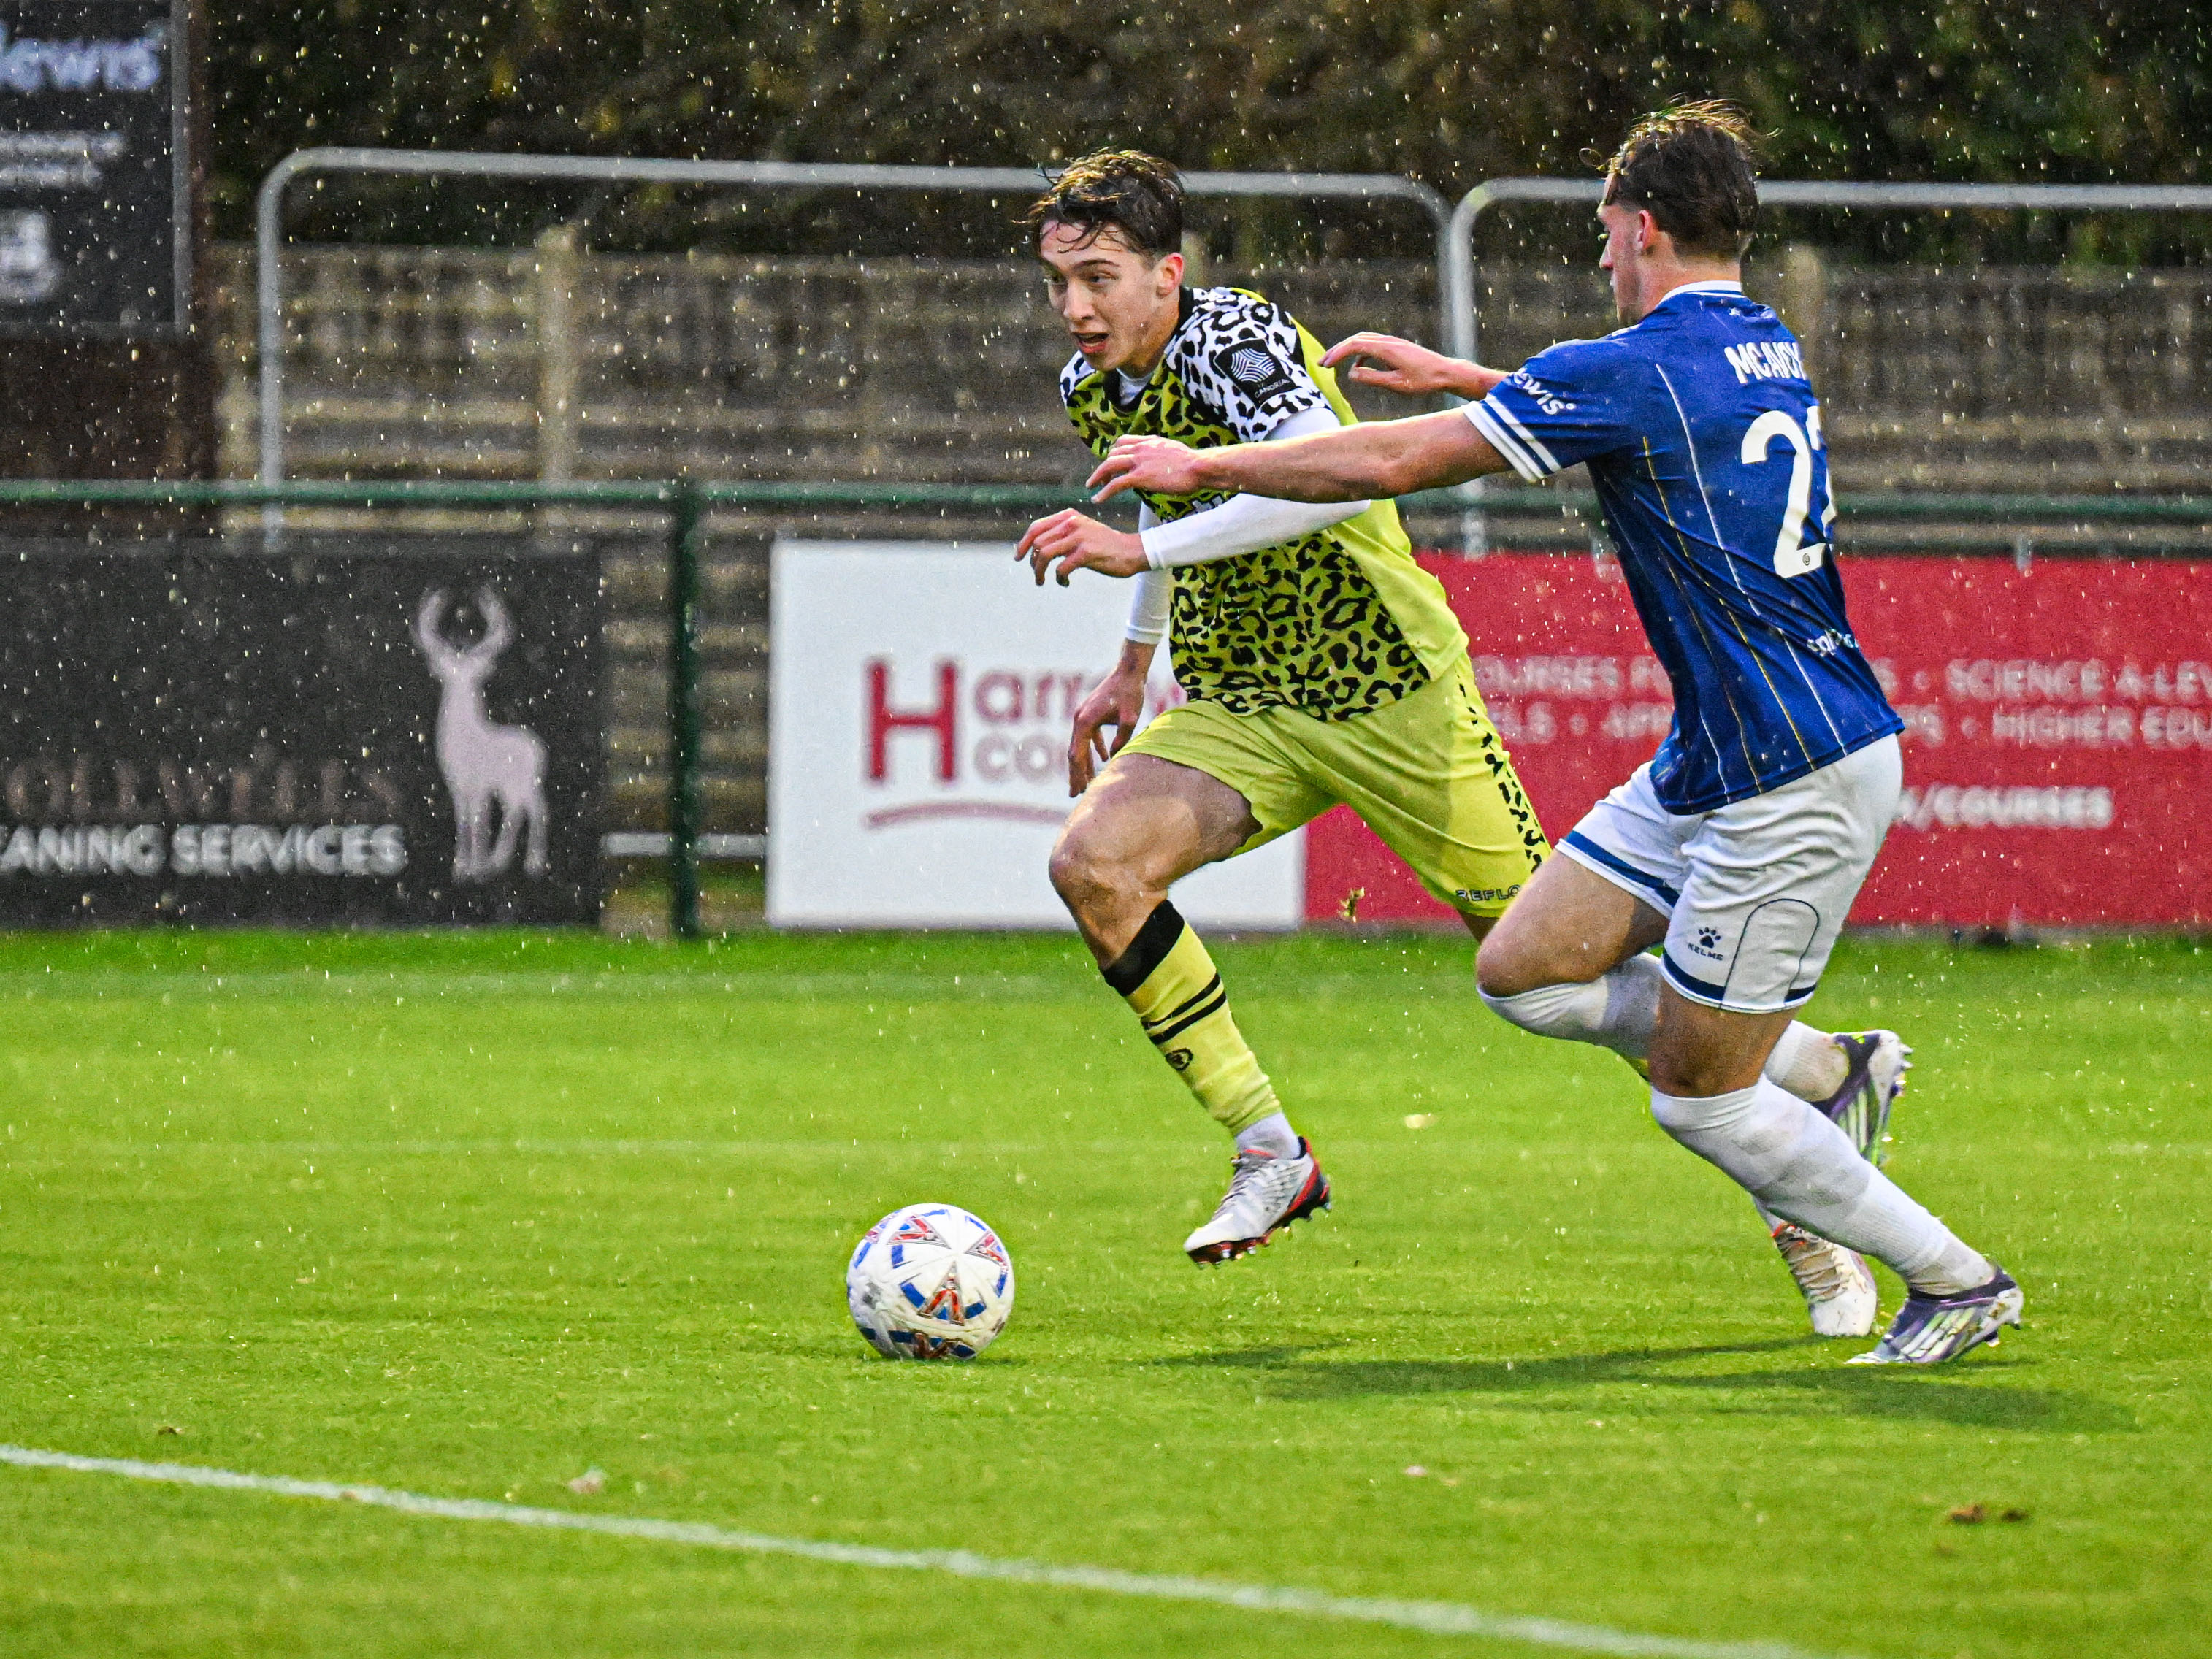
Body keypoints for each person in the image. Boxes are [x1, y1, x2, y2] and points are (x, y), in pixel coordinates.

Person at [1084, 106, 2019, 1365]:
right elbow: (1641, 423)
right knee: (1522, 968)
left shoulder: (1628, 365)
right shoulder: (1759, 341)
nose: (1597, 261)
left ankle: (1955, 1281)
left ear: (1639, 227)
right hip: (1718, 755)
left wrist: (1210, 473)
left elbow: (1399, 464)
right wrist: (1487, 387)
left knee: (1700, 1095)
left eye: (1601, 236)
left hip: (1793, 770)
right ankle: (1828, 1076)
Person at [1011, 149, 1548, 1264]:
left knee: (1555, 973)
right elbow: (1164, 497)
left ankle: (1794, 1099)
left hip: (1383, 687)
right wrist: (1132, 659)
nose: (1074, 307)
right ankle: (1269, 1153)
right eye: (1059, 280)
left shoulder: (1232, 337)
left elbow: (1319, 478)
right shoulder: (1091, 387)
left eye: (1098, 277)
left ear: (1167, 274)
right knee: (1094, 865)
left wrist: (1140, 543)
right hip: (1245, 698)